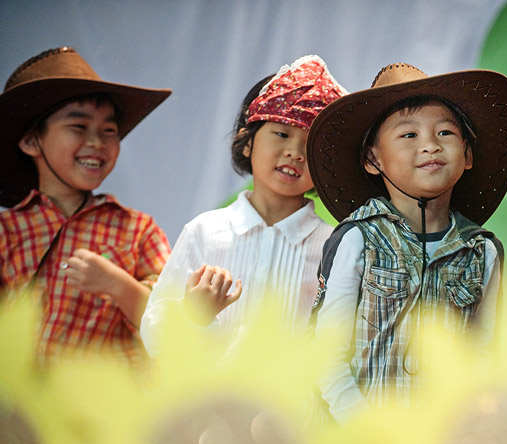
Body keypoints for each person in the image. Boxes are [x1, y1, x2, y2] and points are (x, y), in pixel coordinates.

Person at [305, 63, 507, 422]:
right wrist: (366, 430)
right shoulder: (358, 238)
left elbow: (483, 354)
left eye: (445, 133)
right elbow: (326, 356)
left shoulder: (481, 250)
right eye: (409, 135)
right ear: (373, 159)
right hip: (356, 438)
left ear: (467, 154)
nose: (430, 145)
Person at [140, 55, 346, 356]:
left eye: (311, 144)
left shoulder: (334, 246)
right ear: (247, 141)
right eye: (282, 133)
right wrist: (196, 316)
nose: (295, 152)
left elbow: (340, 342)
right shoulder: (204, 232)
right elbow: (155, 334)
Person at [0, 47, 172, 366]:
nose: (97, 142)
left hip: (113, 393)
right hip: (23, 395)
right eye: (79, 127)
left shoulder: (138, 229)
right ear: (31, 141)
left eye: (109, 130)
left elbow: (171, 323)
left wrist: (118, 285)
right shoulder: (6, 231)